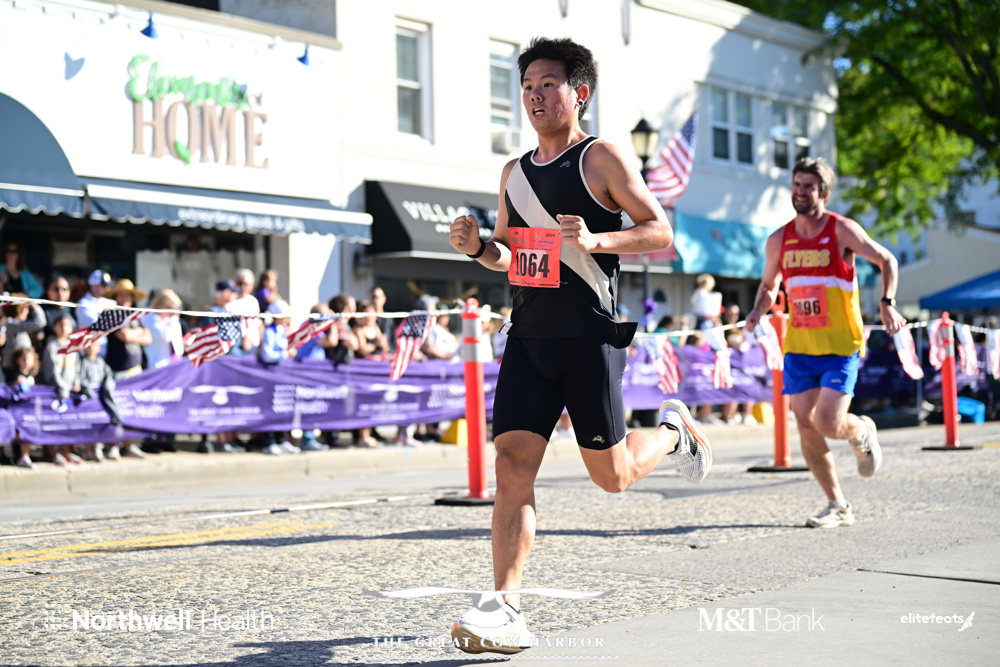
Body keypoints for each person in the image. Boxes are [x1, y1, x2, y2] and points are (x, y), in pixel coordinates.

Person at [446, 37, 712, 654]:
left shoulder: (602, 158)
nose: (535, 96)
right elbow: (509, 255)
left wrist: (596, 241)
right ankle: (506, 607)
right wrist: (478, 247)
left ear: (579, 92)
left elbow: (659, 231)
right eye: (527, 86)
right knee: (511, 466)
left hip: (588, 337)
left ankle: (673, 433)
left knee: (613, 477)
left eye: (548, 84)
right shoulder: (513, 173)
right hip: (528, 338)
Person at [745, 156, 907, 529]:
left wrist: (887, 302)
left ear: (824, 194)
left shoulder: (841, 230)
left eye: (809, 187)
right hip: (800, 346)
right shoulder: (779, 239)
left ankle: (860, 431)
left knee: (829, 422)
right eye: (797, 185)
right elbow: (769, 286)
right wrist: (756, 311)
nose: (801, 192)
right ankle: (837, 504)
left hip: (839, 344)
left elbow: (887, 260)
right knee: (805, 423)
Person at [104, 279, 150, 459]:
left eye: (128, 296)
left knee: (132, 408)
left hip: (134, 368)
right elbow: (123, 335)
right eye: (122, 295)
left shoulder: (135, 316)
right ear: (116, 297)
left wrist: (133, 335)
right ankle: (112, 444)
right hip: (117, 367)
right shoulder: (112, 314)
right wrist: (136, 334)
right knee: (116, 408)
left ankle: (128, 444)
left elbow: (148, 338)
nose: (125, 299)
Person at [259, 300, 300, 455]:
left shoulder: (282, 330)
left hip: (282, 376)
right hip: (270, 375)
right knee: (270, 408)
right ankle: (269, 441)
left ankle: (281, 439)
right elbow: (267, 355)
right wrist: (285, 354)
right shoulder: (269, 332)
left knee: (282, 409)